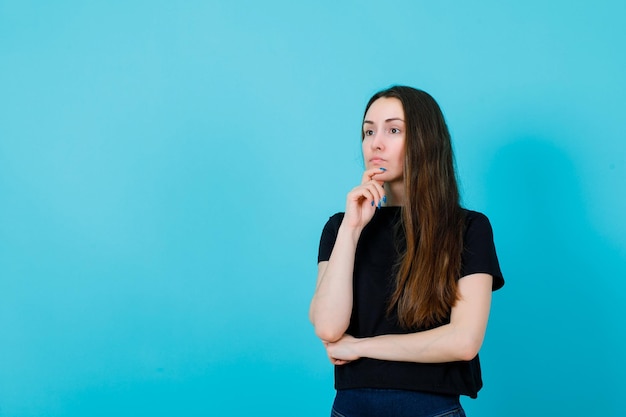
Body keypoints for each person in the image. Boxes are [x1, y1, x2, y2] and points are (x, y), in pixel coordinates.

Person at [309, 86, 504, 417]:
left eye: (393, 129)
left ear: (424, 141)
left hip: (431, 409)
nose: (376, 143)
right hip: (351, 408)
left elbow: (464, 341)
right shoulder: (341, 226)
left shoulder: (468, 228)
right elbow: (328, 328)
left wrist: (360, 347)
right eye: (368, 131)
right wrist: (352, 229)